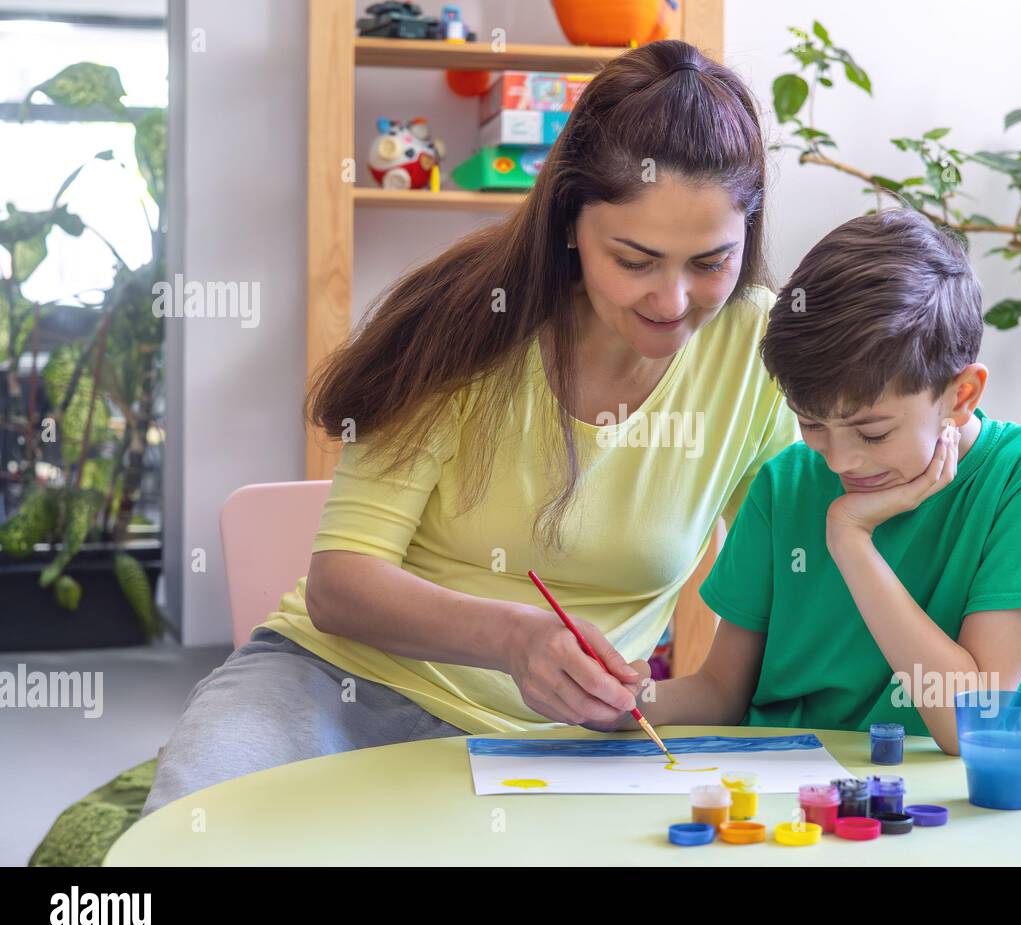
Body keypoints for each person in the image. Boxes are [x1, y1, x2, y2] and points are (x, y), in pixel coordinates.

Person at [141, 40, 797, 817]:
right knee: (191, 838)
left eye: (710, 263)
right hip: (336, 686)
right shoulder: (462, 317)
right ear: (569, 223)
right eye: (635, 258)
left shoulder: (756, 350)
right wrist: (516, 638)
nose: (672, 299)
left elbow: (784, 571)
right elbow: (340, 585)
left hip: (563, 748)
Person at [594, 208, 1021, 755]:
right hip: (777, 794)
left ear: (961, 395)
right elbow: (721, 693)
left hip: (922, 805)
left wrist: (851, 543)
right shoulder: (784, 484)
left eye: (873, 433)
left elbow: (970, 725)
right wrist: (627, 700)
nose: (840, 462)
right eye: (811, 425)